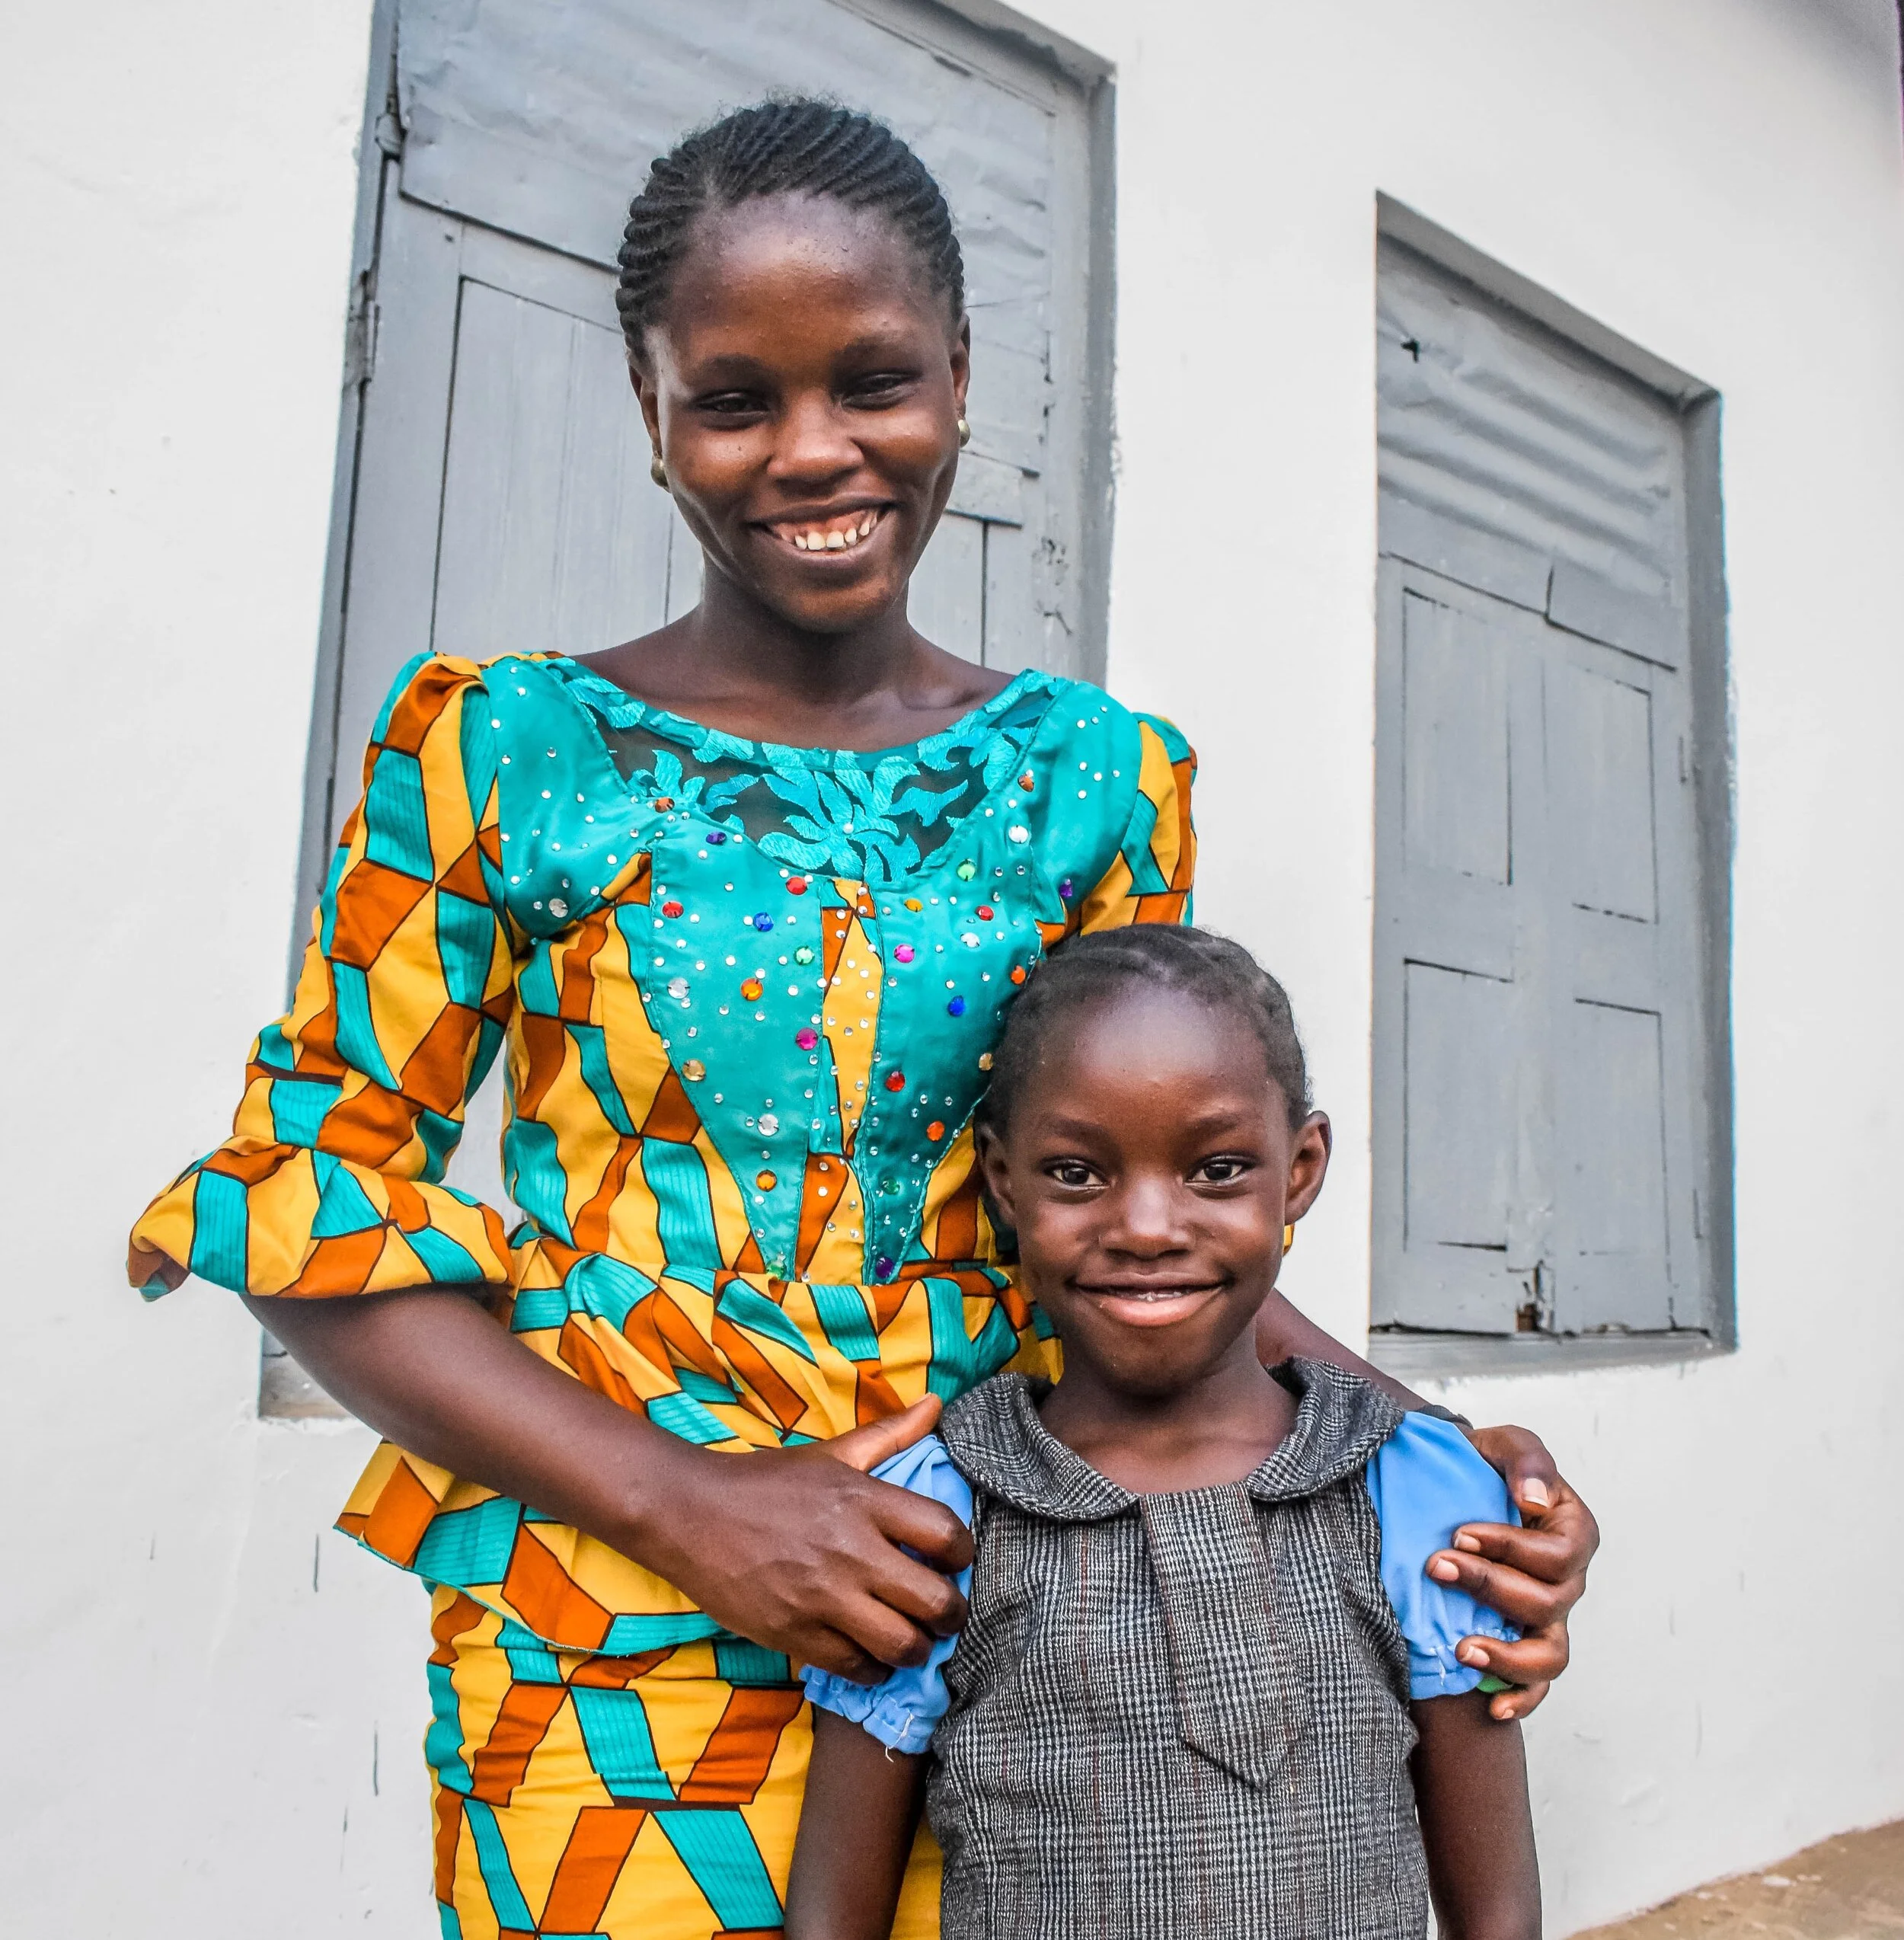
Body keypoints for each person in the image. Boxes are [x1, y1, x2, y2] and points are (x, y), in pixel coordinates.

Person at [127, 101, 1591, 1940]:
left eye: (875, 381)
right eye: (734, 397)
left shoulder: (1090, 778)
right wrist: (697, 1506)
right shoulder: (504, 748)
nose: (812, 450)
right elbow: (303, 1202)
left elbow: (1143, 1211)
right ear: (649, 414)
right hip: (612, 1639)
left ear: (961, 383)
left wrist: (1453, 1471)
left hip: (1025, 1621)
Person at [787, 925, 1541, 1940]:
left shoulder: (1412, 1488)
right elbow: (835, 1914)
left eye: (1218, 1167)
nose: (1146, 1225)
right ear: (1004, 1183)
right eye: (1077, 1172)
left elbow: (1497, 1912)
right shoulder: (939, 1510)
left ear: (1301, 1169)